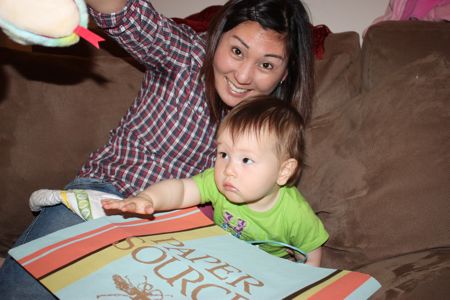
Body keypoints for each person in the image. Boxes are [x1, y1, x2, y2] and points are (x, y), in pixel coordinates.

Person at [0, 0, 315, 298]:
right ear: (216, 39)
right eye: (236, 51)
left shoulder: (278, 127)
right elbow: (123, 13)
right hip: (106, 196)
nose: (243, 77)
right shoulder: (185, 53)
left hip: (178, 240)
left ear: (284, 73)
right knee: (23, 288)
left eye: (266, 64)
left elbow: (278, 225)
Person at [102, 96, 328, 266]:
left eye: (246, 159)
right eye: (223, 154)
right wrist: (147, 198)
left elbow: (310, 255)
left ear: (283, 171)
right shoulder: (218, 185)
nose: (229, 170)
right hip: (217, 261)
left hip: (262, 272)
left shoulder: (294, 214)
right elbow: (181, 189)